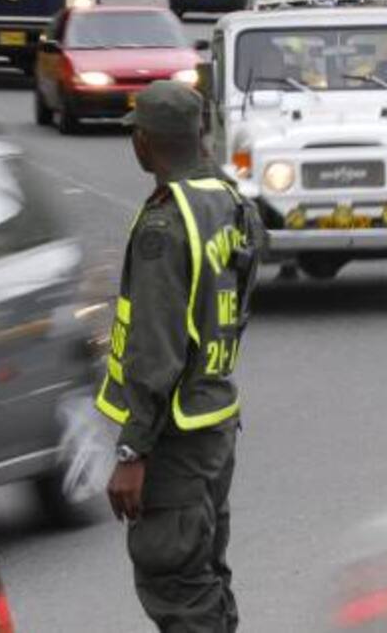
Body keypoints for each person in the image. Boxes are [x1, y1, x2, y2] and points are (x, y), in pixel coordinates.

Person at [98, 81, 263, 633]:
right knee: (205, 575)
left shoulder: (165, 225)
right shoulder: (229, 202)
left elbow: (155, 351)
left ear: (143, 142)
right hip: (214, 421)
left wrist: (132, 451)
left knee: (177, 584)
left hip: (175, 438)